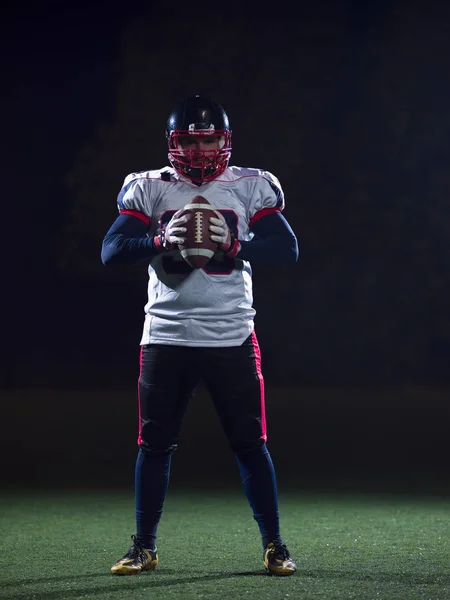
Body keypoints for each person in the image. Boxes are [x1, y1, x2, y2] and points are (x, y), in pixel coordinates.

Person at [101, 95, 299, 576]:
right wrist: (157, 240)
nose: (201, 149)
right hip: (166, 334)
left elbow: (286, 249)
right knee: (154, 445)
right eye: (190, 140)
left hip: (231, 334)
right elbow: (112, 249)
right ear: (173, 143)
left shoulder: (250, 186)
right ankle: (143, 546)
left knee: (251, 443)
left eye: (208, 138)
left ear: (224, 140)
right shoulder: (151, 188)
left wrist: (234, 245)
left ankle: (275, 545)